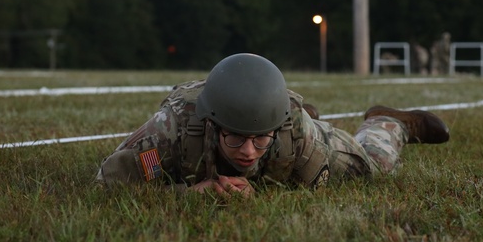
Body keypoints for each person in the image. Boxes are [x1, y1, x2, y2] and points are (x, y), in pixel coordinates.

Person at [95, 53, 450, 194]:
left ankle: (389, 121)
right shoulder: (172, 128)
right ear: (213, 126)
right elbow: (108, 182)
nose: (248, 152)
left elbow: (309, 190)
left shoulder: (296, 137)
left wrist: (262, 189)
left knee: (374, 168)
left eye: (259, 138)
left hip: (296, 126)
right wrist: (184, 194)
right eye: (235, 139)